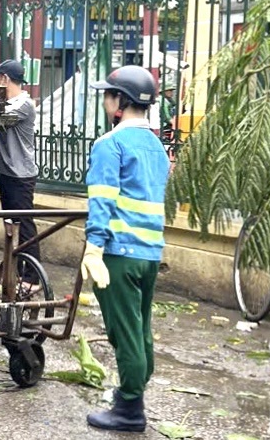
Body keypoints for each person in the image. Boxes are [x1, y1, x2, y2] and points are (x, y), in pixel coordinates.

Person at [83, 65, 170, 433]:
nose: (104, 99)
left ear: (121, 101)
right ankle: (130, 395)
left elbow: (103, 200)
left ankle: (130, 409)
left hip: (119, 252)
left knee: (124, 331)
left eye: (108, 93)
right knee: (141, 327)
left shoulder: (110, 144)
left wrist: (93, 248)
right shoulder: (157, 146)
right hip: (150, 253)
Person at [0, 59, 41, 289]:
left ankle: (31, 276)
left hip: (21, 176)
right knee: (10, 224)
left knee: (24, 223)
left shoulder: (24, 104)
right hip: (7, 173)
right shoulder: (7, 102)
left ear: (5, 79)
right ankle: (15, 270)